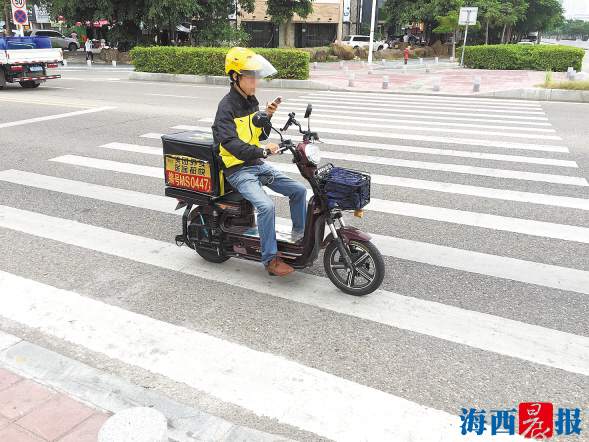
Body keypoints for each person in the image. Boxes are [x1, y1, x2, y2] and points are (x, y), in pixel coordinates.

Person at [212, 47, 307, 277]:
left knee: (299, 190)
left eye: (256, 75)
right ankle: (270, 260)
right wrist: (263, 152)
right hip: (238, 170)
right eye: (250, 76)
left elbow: (260, 136)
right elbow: (231, 144)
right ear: (235, 76)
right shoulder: (226, 108)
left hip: (256, 164)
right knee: (265, 206)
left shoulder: (251, 101)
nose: (255, 81)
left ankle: (300, 240)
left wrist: (268, 116)